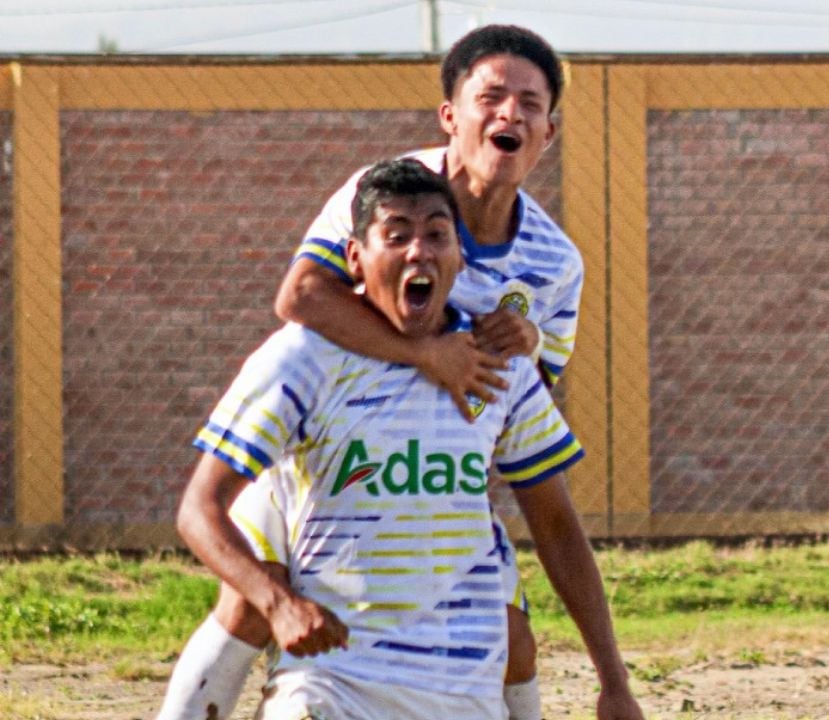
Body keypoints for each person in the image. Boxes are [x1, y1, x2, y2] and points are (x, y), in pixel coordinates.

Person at [157, 24, 580, 720]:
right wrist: (426, 354)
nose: (510, 115)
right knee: (251, 602)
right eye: (492, 96)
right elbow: (300, 296)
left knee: (512, 637)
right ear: (452, 115)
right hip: (329, 445)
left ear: (548, 132)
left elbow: (537, 394)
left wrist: (527, 338)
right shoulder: (382, 191)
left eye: (529, 104)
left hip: (432, 463)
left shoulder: (557, 261)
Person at [173, 158, 641, 719]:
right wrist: (280, 605)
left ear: (460, 259)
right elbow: (198, 509)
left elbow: (557, 524)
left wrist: (614, 682)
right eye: (396, 237)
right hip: (330, 687)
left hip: (457, 691)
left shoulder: (502, 369)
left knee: (516, 638)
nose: (419, 251)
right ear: (355, 258)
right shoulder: (302, 358)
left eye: (437, 236)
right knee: (243, 610)